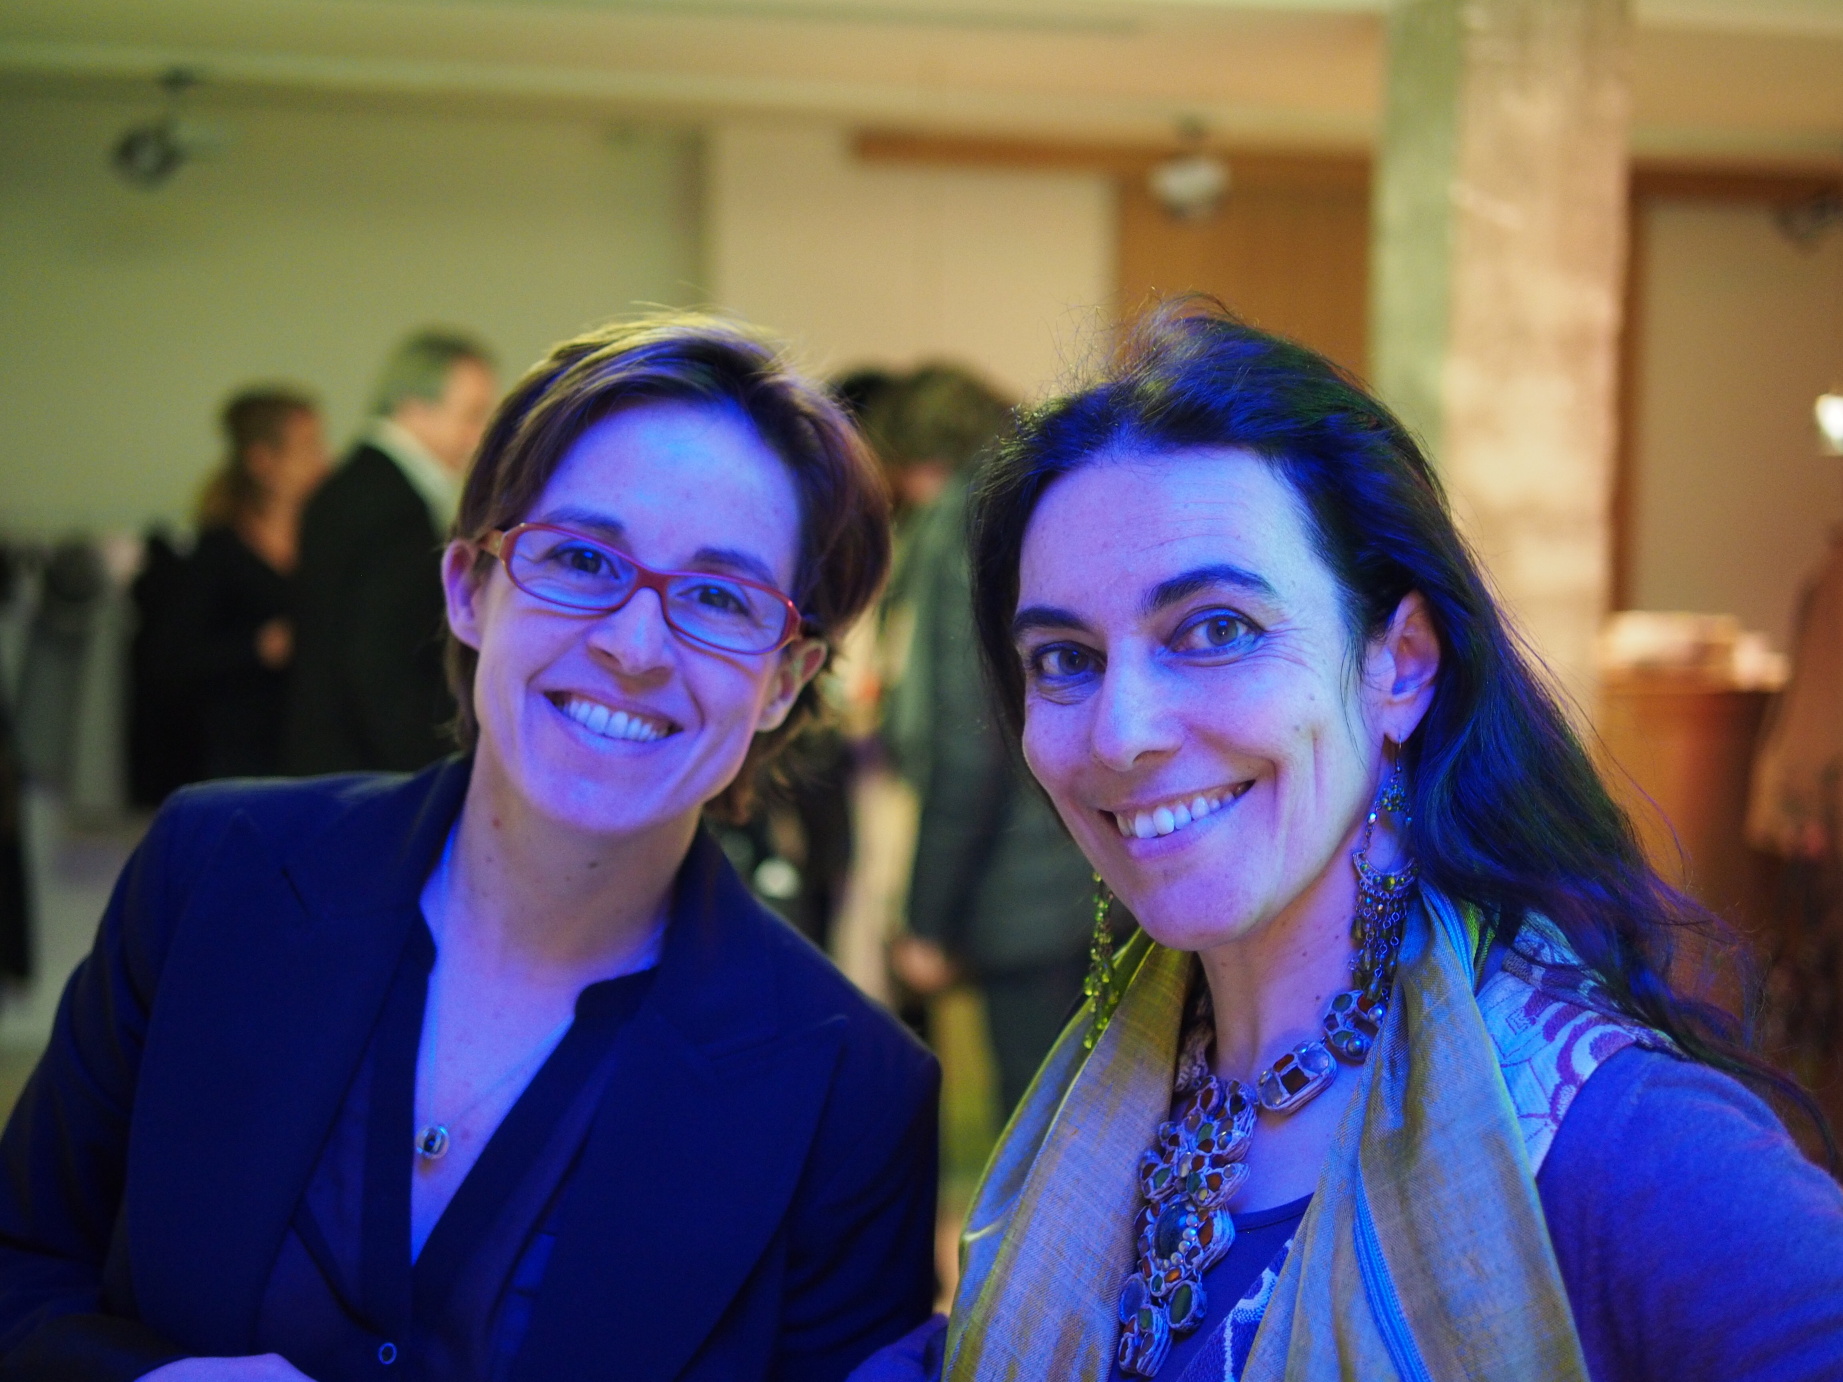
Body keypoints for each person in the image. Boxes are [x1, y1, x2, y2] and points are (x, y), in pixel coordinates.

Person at [855, 302, 1843, 1382]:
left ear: (1401, 664)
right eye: (1064, 658)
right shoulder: (1114, 1099)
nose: (1120, 732)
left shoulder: (1607, 1136)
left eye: (1215, 629)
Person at [0, 314, 938, 1381]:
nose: (634, 647)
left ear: (782, 680)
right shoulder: (214, 872)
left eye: (719, 598)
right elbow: (22, 1265)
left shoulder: (853, 1094)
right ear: (467, 589)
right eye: (579, 559)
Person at [880, 367, 1094, 1116]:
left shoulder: (964, 521)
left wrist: (925, 920)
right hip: (1103, 870)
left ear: (921, 461)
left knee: (1036, 1133)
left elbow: (968, 741)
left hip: (1022, 894)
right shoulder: (1060, 493)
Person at [285, 330, 498, 775]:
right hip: (366, 763)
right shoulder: (393, 506)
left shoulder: (354, 485)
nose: (480, 435)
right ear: (414, 408)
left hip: (327, 748)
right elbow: (380, 661)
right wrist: (422, 772)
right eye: (472, 415)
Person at [177, 386, 331, 780]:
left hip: (313, 747)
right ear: (263, 461)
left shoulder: (328, 542)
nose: (324, 461)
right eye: (308, 447)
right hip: (239, 751)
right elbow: (176, 658)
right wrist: (258, 647)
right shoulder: (217, 552)